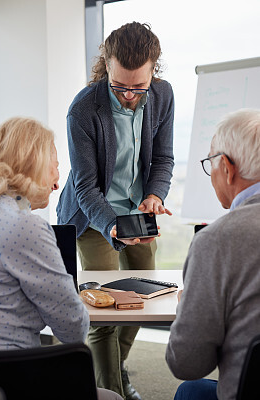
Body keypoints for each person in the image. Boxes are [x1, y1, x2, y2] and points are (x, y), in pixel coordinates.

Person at [56, 21, 174, 400]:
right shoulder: (83, 109)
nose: (129, 96)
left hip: (140, 210)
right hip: (94, 217)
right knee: (105, 312)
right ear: (106, 66)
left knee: (144, 302)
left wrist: (155, 195)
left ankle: (113, 368)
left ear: (154, 72)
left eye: (138, 87)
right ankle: (110, 393)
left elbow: (164, 160)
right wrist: (111, 226)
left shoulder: (163, 95)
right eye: (119, 85)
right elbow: (85, 187)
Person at [0, 117, 123, 400]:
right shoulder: (24, 226)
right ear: (34, 163)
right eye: (55, 162)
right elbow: (72, 328)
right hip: (12, 373)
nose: (58, 173)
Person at [165, 108, 260, 400]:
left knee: (188, 389)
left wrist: (188, 307)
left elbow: (187, 363)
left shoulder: (216, 241)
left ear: (228, 169)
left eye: (210, 163)